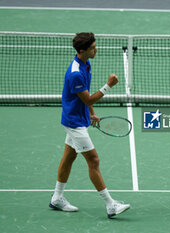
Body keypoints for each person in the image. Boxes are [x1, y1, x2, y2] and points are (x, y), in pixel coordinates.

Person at [49, 32, 130, 218]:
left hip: (79, 118)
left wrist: (91, 113)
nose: (96, 49)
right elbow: (88, 98)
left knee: (69, 157)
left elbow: (86, 97)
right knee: (93, 160)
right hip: (74, 123)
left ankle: (57, 198)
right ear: (82, 50)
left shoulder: (86, 64)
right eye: (93, 47)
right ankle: (110, 205)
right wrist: (108, 86)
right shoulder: (76, 73)